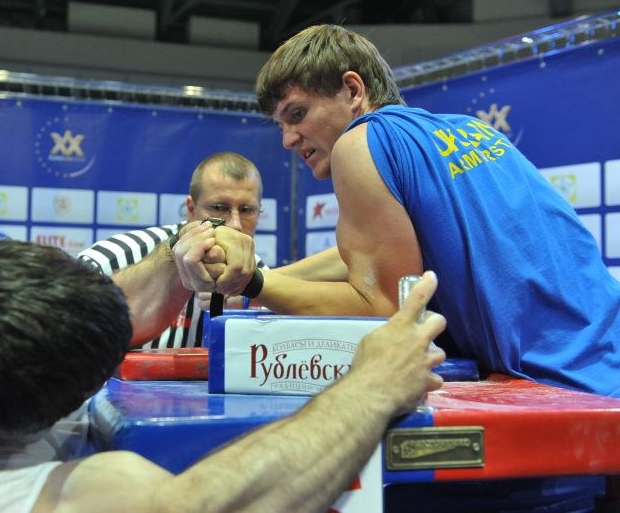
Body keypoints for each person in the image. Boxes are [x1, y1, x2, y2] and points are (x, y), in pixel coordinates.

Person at [0, 239, 446, 512]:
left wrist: (183, 250)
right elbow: (213, 504)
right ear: (64, 404)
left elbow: (116, 304)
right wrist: (372, 384)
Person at [235, 23, 620, 398]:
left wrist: (255, 285)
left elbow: (385, 307)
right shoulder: (472, 130)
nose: (287, 139)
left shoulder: (358, 143)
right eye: (280, 124)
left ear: (352, 89)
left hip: (578, 392)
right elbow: (381, 246)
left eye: (297, 114)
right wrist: (260, 279)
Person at [77, 151, 270, 349]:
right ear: (191, 209)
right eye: (219, 207)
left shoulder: (265, 278)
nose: (235, 225)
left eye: (247, 210)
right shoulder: (111, 259)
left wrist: (247, 316)